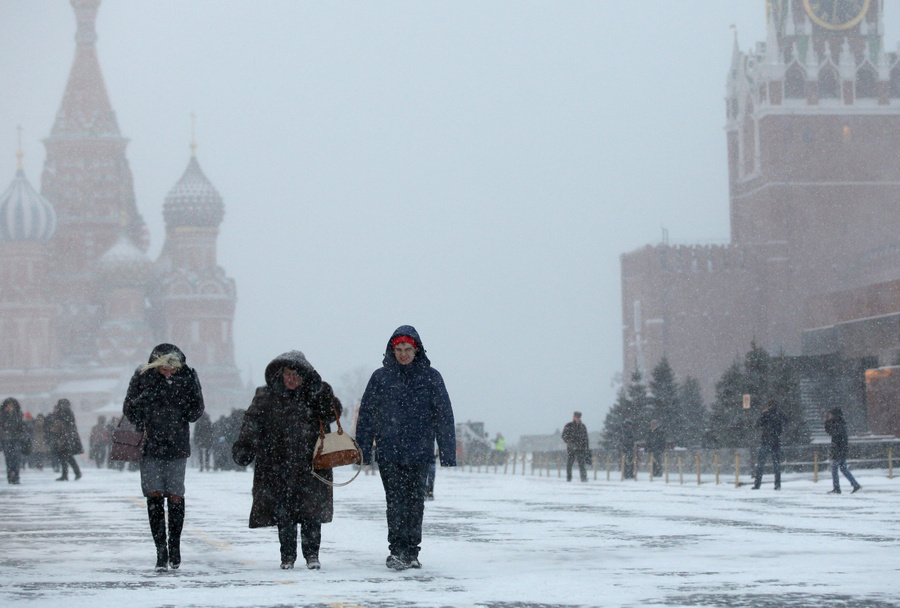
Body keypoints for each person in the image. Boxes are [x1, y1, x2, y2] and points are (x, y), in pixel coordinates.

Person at [356, 325, 456, 571]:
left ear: (417, 350)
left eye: (408, 349)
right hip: (390, 452)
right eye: (399, 349)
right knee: (395, 502)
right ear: (392, 350)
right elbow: (367, 415)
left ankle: (412, 551)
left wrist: (447, 452)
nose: (403, 354)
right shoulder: (380, 378)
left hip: (420, 451)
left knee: (415, 503)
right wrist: (363, 450)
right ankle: (397, 550)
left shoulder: (432, 377)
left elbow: (444, 416)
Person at [232, 351, 342, 570]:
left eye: (296, 374)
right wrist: (245, 446)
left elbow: (333, 413)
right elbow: (252, 422)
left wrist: (319, 390)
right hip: (277, 464)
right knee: (285, 513)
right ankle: (287, 557)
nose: (291, 379)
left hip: (311, 464)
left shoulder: (316, 393)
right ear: (280, 375)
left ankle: (312, 555)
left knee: (312, 513)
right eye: (287, 374)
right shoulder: (266, 396)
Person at [123, 344, 205, 571]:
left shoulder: (188, 376)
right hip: (151, 445)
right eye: (164, 368)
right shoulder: (143, 377)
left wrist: (180, 394)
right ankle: (161, 550)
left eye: (173, 367)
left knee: (176, 494)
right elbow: (129, 409)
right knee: (154, 495)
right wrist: (151, 394)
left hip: (177, 444)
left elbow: (196, 411)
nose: (169, 372)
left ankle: (175, 545)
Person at [824, 408, 861, 495]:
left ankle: (837, 488)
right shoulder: (840, 423)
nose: (830, 416)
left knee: (835, 469)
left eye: (831, 414)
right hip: (841, 450)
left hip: (838, 450)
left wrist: (826, 423)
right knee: (843, 469)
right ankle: (855, 484)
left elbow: (832, 432)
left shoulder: (837, 423)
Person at [752, 401, 784, 490]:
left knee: (761, 464)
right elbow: (784, 423)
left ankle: (757, 484)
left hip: (765, 441)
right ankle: (777, 484)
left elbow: (758, 424)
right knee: (777, 465)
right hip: (776, 442)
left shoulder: (766, 414)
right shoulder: (779, 415)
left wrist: (763, 414)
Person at [49, 399, 83, 481]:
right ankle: (73, 473)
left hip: (65, 438)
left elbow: (65, 425)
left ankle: (67, 474)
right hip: (65, 438)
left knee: (65, 457)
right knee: (67, 457)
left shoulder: (64, 413)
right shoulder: (65, 413)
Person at [0, 397, 27, 484]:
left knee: (16, 458)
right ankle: (11, 474)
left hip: (16, 439)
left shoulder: (18, 415)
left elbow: (22, 427)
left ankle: (15, 475)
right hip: (6, 439)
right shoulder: (2, 415)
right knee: (9, 459)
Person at [562, 411, 590, 482]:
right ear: (574, 417)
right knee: (569, 464)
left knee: (581, 464)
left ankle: (583, 478)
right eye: (576, 417)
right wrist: (570, 442)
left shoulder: (582, 426)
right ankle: (569, 478)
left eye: (578, 417)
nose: (577, 418)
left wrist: (586, 447)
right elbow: (564, 436)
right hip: (571, 448)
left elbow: (585, 438)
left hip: (580, 448)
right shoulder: (569, 426)